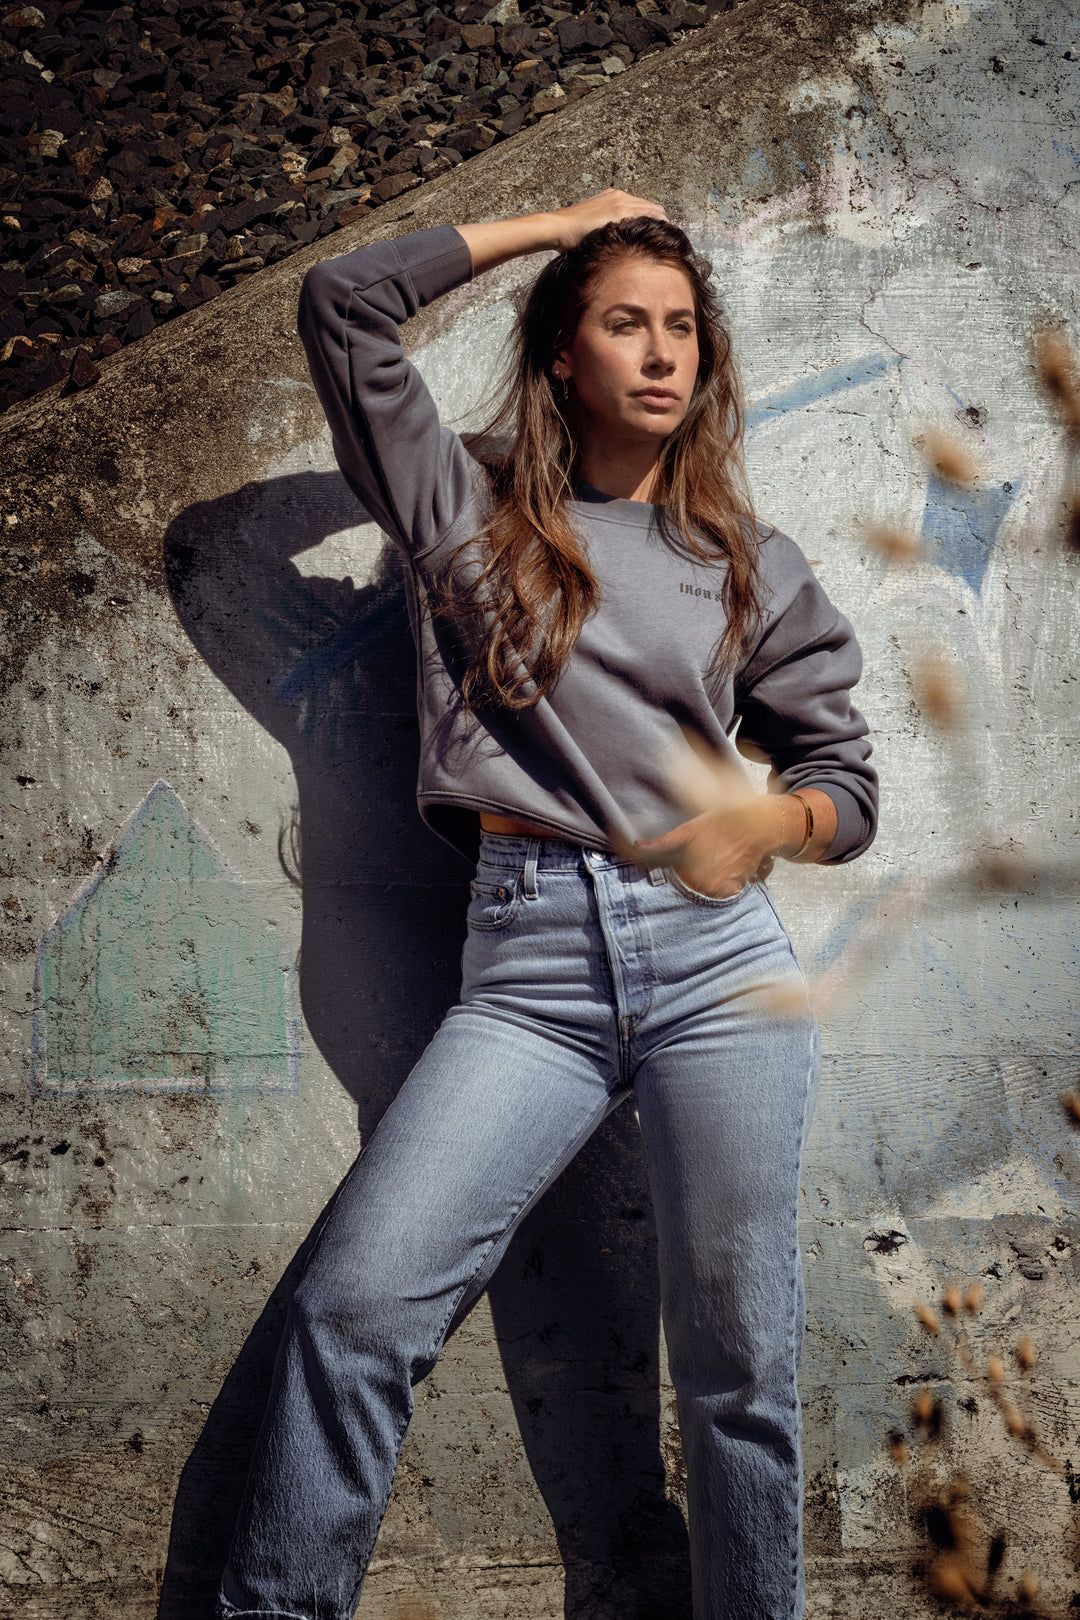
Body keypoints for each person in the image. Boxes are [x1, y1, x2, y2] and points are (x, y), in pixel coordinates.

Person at [217, 189, 878, 1620]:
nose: (660, 353)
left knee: (738, 1368)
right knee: (354, 1313)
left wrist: (771, 817)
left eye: (683, 330)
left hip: (718, 968)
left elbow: (846, 782)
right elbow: (343, 305)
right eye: (623, 322)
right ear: (561, 354)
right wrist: (558, 221)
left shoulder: (749, 566)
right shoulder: (462, 516)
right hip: (528, 971)